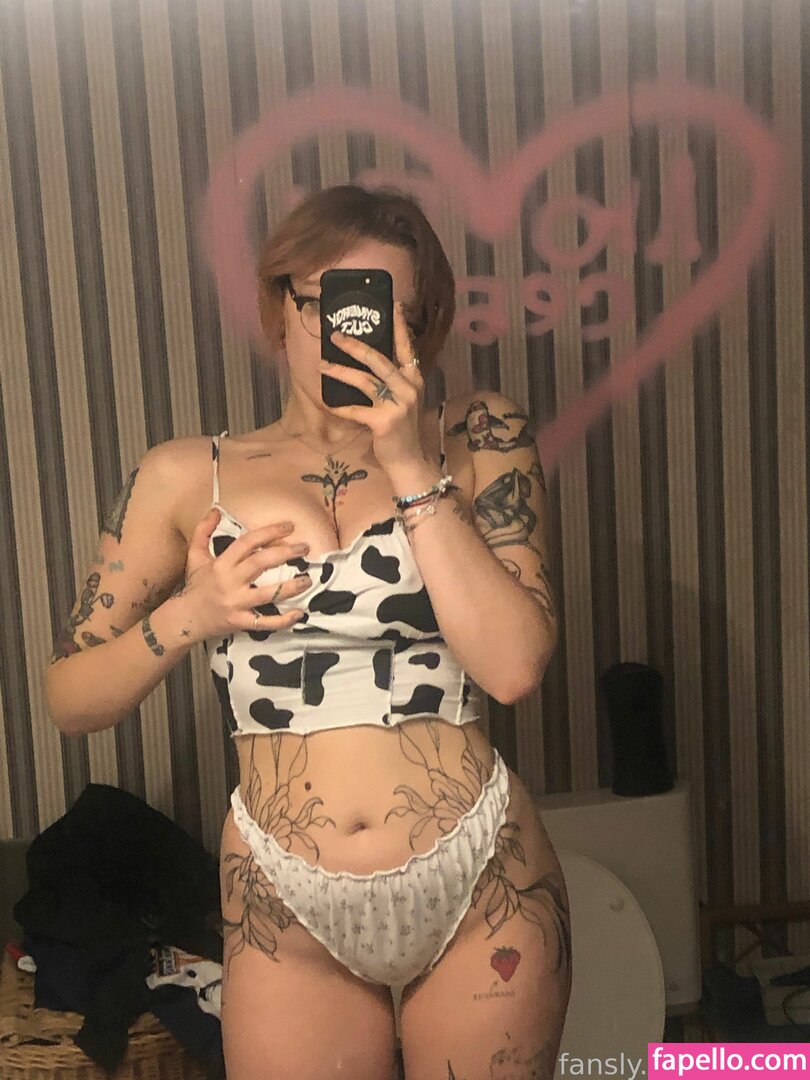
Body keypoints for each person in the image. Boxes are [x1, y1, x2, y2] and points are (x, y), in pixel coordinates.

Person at [46, 185, 571, 1080]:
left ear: (421, 326)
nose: (347, 331)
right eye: (325, 302)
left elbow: (516, 665)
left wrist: (409, 463)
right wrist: (191, 613)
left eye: (383, 309)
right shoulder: (186, 475)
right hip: (281, 900)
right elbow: (69, 698)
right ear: (278, 307)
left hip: (482, 871)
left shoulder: (480, 434)